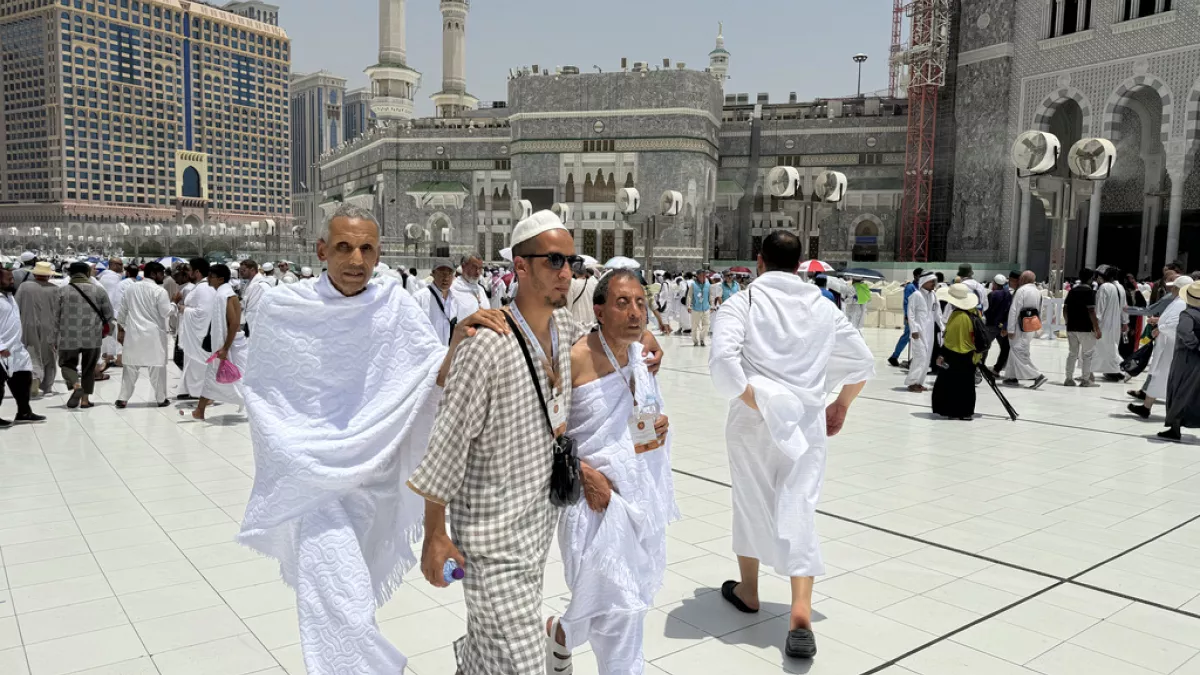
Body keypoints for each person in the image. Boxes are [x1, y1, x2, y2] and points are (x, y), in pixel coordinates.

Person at [236, 204, 504, 674]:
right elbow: (264, 396)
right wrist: (295, 456)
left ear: (379, 255)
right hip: (314, 486)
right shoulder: (285, 309)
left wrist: (458, 341)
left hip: (374, 480)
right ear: (322, 250)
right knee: (342, 603)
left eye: (366, 249)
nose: (355, 259)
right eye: (343, 247)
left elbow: (428, 380)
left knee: (346, 596)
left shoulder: (394, 306)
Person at [407, 210, 589, 675]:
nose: (566, 272)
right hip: (490, 538)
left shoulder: (564, 329)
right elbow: (447, 443)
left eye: (571, 261)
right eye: (553, 261)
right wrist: (434, 534)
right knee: (524, 661)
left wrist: (645, 338)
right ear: (521, 267)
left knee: (493, 652)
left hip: (535, 526)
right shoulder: (487, 342)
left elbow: (603, 335)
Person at [709, 230, 873, 660]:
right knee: (799, 505)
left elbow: (724, 364)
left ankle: (749, 590)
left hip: (751, 422)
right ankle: (800, 612)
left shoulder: (740, 302)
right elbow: (863, 361)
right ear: (800, 265)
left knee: (749, 499)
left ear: (759, 261)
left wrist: (759, 400)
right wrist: (841, 404)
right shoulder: (823, 307)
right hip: (806, 422)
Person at [544, 269, 677, 675]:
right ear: (599, 310)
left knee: (620, 606)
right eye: (623, 303)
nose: (636, 312)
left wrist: (658, 425)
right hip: (590, 504)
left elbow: (639, 424)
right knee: (616, 606)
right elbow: (542, 430)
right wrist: (585, 473)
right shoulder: (574, 359)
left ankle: (562, 634)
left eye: (640, 302)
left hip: (638, 498)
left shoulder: (640, 357)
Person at [1128, 277, 1194, 419]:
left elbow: (1176, 324)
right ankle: (1146, 407)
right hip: (1167, 347)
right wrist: (1160, 323)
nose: (1172, 289)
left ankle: (1174, 415)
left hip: (1172, 348)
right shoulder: (1177, 302)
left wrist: (1160, 328)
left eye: (1175, 287)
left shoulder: (1182, 303)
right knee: (1159, 377)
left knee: (1167, 379)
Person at [189, 264, 246, 420]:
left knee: (243, 379)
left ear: (220, 279)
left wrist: (225, 348)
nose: (208, 279)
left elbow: (234, 323)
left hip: (231, 345)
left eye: (212, 276)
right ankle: (200, 411)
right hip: (226, 343)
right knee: (211, 377)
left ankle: (257, 408)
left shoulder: (224, 296)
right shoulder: (225, 293)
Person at [115, 262, 173, 409]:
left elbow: (122, 313)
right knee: (157, 368)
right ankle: (161, 399)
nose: (163, 276)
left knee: (130, 368)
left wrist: (121, 330)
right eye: (161, 273)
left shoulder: (131, 289)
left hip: (134, 334)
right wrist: (174, 304)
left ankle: (122, 398)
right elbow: (165, 312)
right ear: (153, 274)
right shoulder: (160, 291)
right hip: (153, 335)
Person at [56, 261, 113, 409]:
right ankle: (85, 401)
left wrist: (53, 337)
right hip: (92, 337)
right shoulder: (99, 291)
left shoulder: (61, 291)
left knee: (67, 364)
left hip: (69, 336)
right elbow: (109, 314)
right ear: (88, 273)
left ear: (70, 274)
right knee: (89, 367)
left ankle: (76, 386)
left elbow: (55, 316)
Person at [0, 267, 47, 426]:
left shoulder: (9, 296)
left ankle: (24, 411)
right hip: (2, 350)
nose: (13, 282)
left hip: (15, 348)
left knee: (23, 378)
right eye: (9, 279)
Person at [932, 284, 982, 420]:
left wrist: (942, 354)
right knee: (967, 385)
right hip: (971, 355)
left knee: (953, 384)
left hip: (956, 355)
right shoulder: (973, 312)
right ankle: (965, 412)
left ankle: (954, 411)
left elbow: (950, 339)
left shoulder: (958, 316)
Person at [15, 261, 62, 398]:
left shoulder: (25, 287)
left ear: (35, 274)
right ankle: (47, 387)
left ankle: (34, 377)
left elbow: (16, 307)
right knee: (49, 355)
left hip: (27, 325)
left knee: (31, 353)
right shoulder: (55, 289)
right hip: (50, 326)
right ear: (49, 276)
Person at [1160, 283, 1200, 441]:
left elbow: (1184, 331)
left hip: (1187, 357)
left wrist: (1195, 345)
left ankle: (1174, 427)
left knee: (1178, 389)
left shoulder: (1188, 314)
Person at [1002, 271, 1048, 389]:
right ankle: (1011, 377)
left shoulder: (1022, 290)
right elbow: (1039, 310)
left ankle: (1037, 376)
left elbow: (1014, 310)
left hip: (1019, 326)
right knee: (1019, 351)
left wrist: (1010, 329)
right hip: (1030, 326)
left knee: (1018, 351)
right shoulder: (1037, 291)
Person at [177, 259, 215, 401]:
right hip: (196, 332)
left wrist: (183, 309)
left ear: (197, 272)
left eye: (190, 270)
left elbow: (203, 312)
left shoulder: (203, 288)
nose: (188, 273)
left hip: (200, 333)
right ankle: (196, 392)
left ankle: (205, 395)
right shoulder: (201, 286)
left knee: (200, 363)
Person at [1063, 268, 1101, 387]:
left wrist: (1067, 322)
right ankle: (1085, 380)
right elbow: (1091, 311)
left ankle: (1068, 378)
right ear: (1091, 279)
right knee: (1087, 354)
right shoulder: (1090, 292)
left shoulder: (1072, 291)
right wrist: (1097, 328)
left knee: (1072, 353)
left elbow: (1065, 309)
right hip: (1085, 327)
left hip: (1072, 327)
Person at [905, 273, 939, 393]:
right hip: (918, 332)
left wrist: (943, 327)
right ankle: (911, 382)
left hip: (929, 332)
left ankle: (919, 382)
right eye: (931, 281)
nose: (933, 284)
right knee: (920, 357)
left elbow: (937, 314)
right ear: (924, 282)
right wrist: (913, 329)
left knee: (927, 358)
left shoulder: (934, 295)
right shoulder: (916, 295)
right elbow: (911, 313)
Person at [1092, 267, 1128, 379]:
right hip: (1116, 322)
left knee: (1106, 348)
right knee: (1111, 347)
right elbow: (1124, 307)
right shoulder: (1120, 287)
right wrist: (1125, 321)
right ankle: (1112, 371)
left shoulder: (1104, 287)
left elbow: (1100, 307)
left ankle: (1127, 368)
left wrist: (1095, 322)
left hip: (1105, 323)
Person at [414, 259, 457, 345]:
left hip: (449, 354)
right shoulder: (419, 298)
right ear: (433, 274)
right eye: (441, 273)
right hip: (429, 354)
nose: (446, 278)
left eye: (449, 273)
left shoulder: (456, 298)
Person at [888, 268, 924, 368]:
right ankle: (894, 356)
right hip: (911, 317)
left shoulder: (920, 287)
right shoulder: (910, 287)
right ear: (916, 276)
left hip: (919, 317)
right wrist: (908, 316)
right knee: (907, 336)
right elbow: (906, 303)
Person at [97, 257, 126, 367]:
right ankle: (115, 358)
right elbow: (115, 298)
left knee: (109, 337)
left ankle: (108, 357)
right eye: (119, 264)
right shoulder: (111, 278)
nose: (121, 266)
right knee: (114, 335)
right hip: (112, 312)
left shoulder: (105, 276)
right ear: (112, 265)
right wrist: (118, 313)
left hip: (105, 312)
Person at [984, 274, 1013, 376]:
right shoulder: (1008, 295)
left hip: (990, 325)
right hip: (1002, 326)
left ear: (995, 283)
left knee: (984, 346)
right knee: (1005, 348)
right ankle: (997, 369)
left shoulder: (992, 295)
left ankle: (981, 368)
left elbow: (987, 310)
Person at [450, 254, 491, 324]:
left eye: (480, 268)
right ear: (463, 266)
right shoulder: (453, 289)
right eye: (474, 267)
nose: (478, 272)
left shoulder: (480, 289)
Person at [239, 259, 272, 337]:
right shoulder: (250, 283)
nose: (241, 272)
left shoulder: (260, 285)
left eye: (243, 270)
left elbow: (253, 310)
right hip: (250, 324)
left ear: (252, 270)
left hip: (256, 326)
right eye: (240, 270)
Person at [567, 267, 600, 331]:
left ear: (575, 273)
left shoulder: (573, 283)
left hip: (577, 323)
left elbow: (569, 304)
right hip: (592, 323)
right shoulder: (594, 283)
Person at [686, 270, 713, 346]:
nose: (704, 277)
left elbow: (710, 295)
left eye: (705, 275)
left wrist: (712, 305)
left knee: (707, 325)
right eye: (702, 275)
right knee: (694, 326)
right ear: (697, 276)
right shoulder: (693, 285)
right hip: (695, 308)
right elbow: (689, 296)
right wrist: (688, 306)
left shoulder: (708, 285)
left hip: (706, 308)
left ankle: (702, 339)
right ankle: (695, 341)